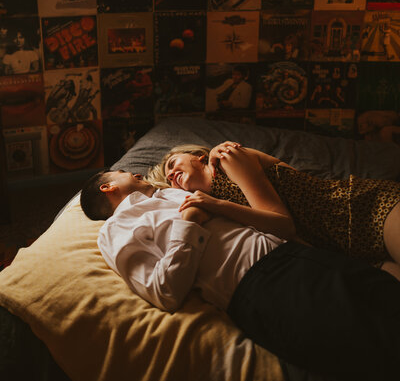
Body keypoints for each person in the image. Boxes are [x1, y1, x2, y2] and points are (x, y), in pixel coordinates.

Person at [80, 168, 400, 380]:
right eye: (123, 172)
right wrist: (189, 220)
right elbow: (165, 291)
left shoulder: (168, 194)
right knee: (371, 345)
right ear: (108, 186)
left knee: (384, 293)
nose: (133, 171)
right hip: (262, 286)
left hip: (296, 253)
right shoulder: (116, 231)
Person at [152, 142, 400, 274]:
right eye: (169, 177)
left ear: (198, 156)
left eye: (173, 164)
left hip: (364, 209)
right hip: (343, 248)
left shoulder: (227, 158)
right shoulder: (212, 206)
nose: (172, 174)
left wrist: (217, 205)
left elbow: (284, 225)